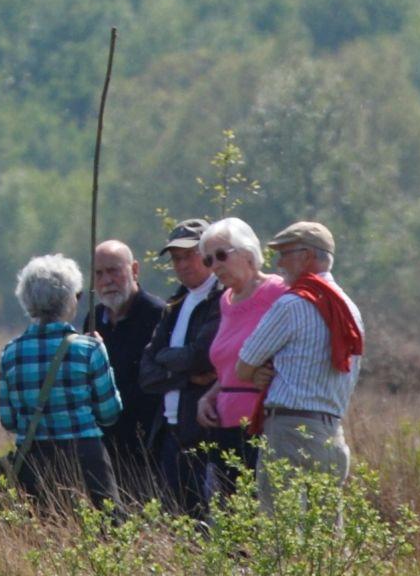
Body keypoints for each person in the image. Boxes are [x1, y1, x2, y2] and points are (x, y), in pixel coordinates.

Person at [236, 222, 366, 511]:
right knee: (328, 538)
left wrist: (261, 374)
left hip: (287, 430)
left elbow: (243, 366)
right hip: (331, 432)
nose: (279, 264)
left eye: (285, 254)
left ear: (307, 256)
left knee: (281, 531)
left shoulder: (291, 305)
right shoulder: (350, 309)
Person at [0, 254, 122, 514]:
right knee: (105, 534)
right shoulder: (90, 349)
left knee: (40, 538)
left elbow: (8, 420)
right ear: (68, 300)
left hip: (33, 460)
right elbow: (110, 413)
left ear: (27, 300)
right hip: (87, 459)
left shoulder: (11, 353)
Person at [194, 218, 288, 502]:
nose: (216, 266)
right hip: (224, 426)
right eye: (209, 260)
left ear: (248, 253)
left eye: (222, 255)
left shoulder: (277, 291)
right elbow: (229, 367)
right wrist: (207, 397)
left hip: (262, 423)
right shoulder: (226, 300)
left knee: (262, 511)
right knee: (231, 516)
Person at [137, 218, 222, 518]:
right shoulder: (176, 301)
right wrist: (185, 378)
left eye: (190, 255)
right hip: (172, 433)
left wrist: (167, 360)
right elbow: (147, 371)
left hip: (207, 435)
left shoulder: (221, 298)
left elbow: (202, 356)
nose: (183, 265)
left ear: (210, 253)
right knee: (182, 524)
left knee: (211, 522)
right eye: (176, 259)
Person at [89, 240, 166, 503]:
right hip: (105, 444)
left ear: (134, 270)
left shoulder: (157, 314)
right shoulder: (94, 317)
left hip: (148, 445)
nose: (106, 280)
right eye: (99, 273)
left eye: (114, 270)